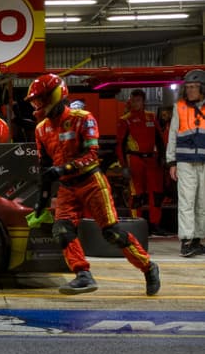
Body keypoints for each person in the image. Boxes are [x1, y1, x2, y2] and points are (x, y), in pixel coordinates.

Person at [24, 73, 160, 296]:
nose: (38, 105)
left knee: (112, 233)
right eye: (35, 101)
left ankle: (148, 266)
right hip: (67, 187)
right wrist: (41, 201)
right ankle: (83, 275)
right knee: (61, 230)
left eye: (40, 100)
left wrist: (63, 169)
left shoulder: (83, 118)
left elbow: (92, 155)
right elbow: (44, 169)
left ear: (56, 95)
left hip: (92, 182)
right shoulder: (41, 129)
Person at [115, 89, 169, 236]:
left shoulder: (151, 117)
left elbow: (160, 139)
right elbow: (119, 144)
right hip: (135, 160)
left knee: (157, 194)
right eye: (133, 100)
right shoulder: (125, 119)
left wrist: (163, 157)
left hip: (153, 160)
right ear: (130, 101)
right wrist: (123, 166)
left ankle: (155, 224)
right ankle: (137, 224)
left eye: (138, 100)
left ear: (143, 101)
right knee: (136, 194)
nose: (136, 103)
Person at [166, 69, 205, 257]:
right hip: (185, 162)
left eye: (194, 87)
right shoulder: (179, 107)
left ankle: (198, 239)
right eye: (188, 87)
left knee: (203, 203)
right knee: (187, 202)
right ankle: (186, 240)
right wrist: (171, 161)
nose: (190, 91)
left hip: (204, 162)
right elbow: (172, 135)